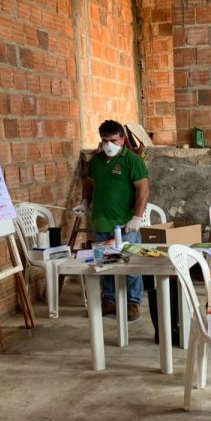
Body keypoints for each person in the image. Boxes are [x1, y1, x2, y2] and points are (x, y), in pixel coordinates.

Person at [75, 120, 149, 320]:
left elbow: (143, 189)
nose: (109, 145)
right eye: (105, 140)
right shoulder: (96, 162)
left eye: (113, 140)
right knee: (104, 264)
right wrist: (84, 202)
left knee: (130, 265)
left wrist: (137, 217)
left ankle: (133, 303)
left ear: (123, 139)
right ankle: (109, 300)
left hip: (125, 224)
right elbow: (89, 183)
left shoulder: (132, 160)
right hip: (101, 222)